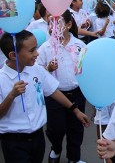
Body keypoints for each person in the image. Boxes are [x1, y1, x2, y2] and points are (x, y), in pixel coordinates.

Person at [0, 30, 90, 163]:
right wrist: (11, 96)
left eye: (36, 48)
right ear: (13, 55)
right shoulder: (2, 79)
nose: (37, 53)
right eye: (31, 51)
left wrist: (75, 110)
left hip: (38, 138)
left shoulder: (36, 69)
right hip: (14, 142)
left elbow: (53, 90)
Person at [37, 10, 89, 163]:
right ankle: (56, 148)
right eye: (50, 24)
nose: (53, 28)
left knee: (76, 128)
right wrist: (48, 69)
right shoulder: (45, 48)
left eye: (57, 24)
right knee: (56, 129)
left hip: (77, 93)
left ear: (68, 24)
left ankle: (74, 157)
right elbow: (38, 72)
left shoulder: (80, 45)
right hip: (55, 96)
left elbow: (86, 68)